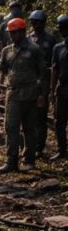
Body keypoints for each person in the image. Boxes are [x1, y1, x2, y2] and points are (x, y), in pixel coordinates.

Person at [0, 17, 45, 172]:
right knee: (11, 128)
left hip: (31, 94)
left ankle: (29, 159)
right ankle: (11, 161)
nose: (12, 36)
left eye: (14, 33)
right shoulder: (7, 50)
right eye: (10, 33)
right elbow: (3, 68)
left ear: (23, 32)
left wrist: (41, 94)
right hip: (13, 94)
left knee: (29, 128)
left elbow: (42, 73)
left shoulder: (34, 49)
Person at [28, 10, 57, 157]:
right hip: (30, 80)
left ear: (43, 23)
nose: (35, 25)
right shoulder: (28, 39)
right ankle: (30, 146)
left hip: (44, 80)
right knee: (28, 114)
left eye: (38, 22)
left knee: (41, 113)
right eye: (33, 22)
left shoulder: (51, 39)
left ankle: (40, 146)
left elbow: (54, 62)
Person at [50, 14, 68, 161]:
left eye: (64, 28)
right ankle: (62, 150)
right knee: (59, 121)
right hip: (63, 89)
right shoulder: (58, 48)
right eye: (61, 28)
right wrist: (52, 90)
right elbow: (55, 70)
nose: (63, 31)